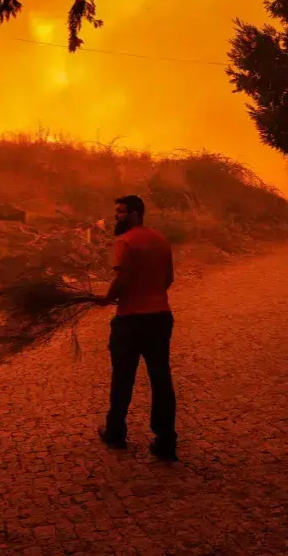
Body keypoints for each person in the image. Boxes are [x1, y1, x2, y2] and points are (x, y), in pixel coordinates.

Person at [95, 194, 178, 460]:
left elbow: (121, 280)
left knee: (122, 378)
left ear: (135, 214)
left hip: (130, 319)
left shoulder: (126, 241)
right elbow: (168, 279)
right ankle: (166, 441)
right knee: (161, 379)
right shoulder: (161, 240)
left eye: (120, 212)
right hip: (160, 318)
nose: (116, 216)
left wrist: (108, 297)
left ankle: (116, 433)